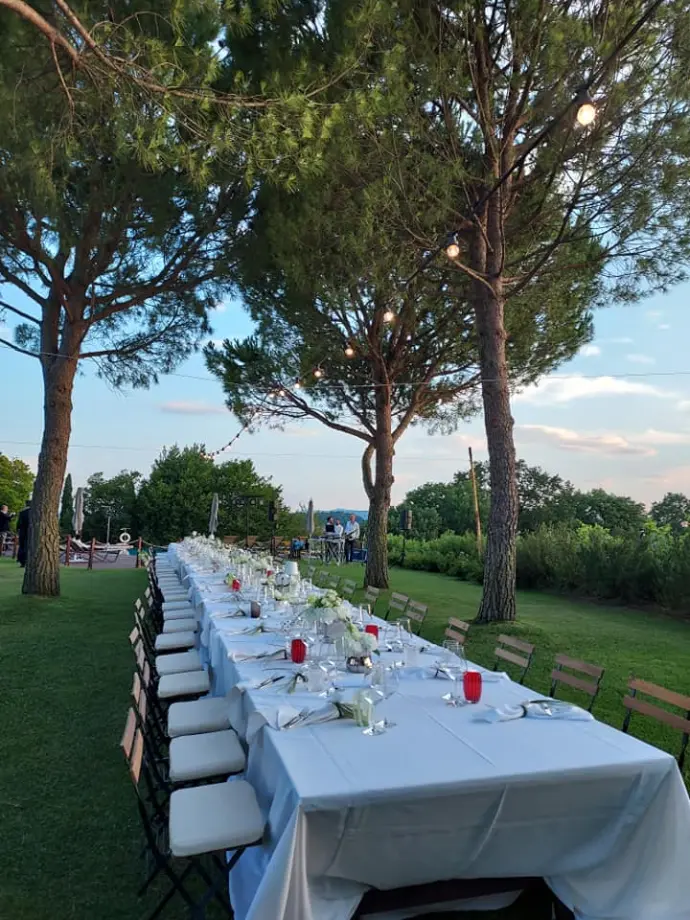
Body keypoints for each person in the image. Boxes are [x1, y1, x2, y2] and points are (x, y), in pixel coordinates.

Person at [17, 500, 31, 568]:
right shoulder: (33, 512)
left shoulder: (22, 512)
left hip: (22, 531)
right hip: (30, 530)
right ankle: (27, 559)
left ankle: (22, 561)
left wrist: (18, 529)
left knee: (22, 546)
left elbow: (19, 523)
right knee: (28, 545)